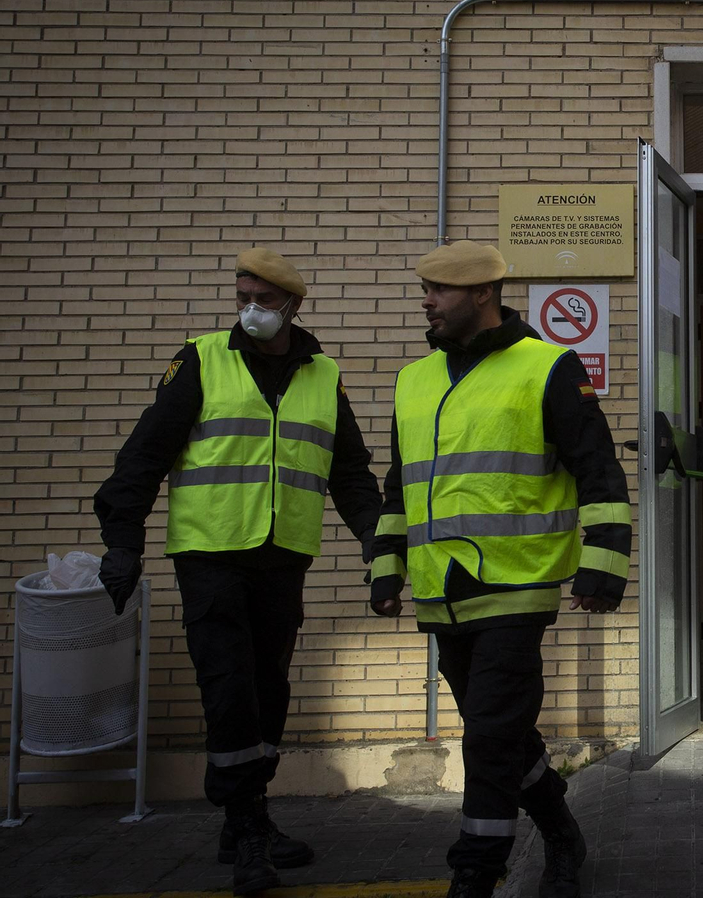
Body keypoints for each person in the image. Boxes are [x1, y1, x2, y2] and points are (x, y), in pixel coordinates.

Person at [94, 247, 382, 896]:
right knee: (230, 688)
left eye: (263, 298)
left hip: (283, 555)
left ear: (292, 307)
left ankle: (243, 815)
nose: (250, 308)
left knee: (268, 687)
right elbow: (143, 455)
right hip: (211, 552)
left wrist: (376, 536)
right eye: (242, 296)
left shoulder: (322, 373)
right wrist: (122, 541)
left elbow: (350, 471)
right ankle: (249, 830)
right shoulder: (201, 360)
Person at [367, 240, 631, 898]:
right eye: (424, 289)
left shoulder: (546, 367)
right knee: (504, 735)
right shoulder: (414, 379)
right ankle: (562, 831)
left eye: (438, 290)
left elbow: (597, 467)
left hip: (517, 584)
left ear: (482, 294)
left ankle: (475, 874)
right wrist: (384, 565)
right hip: (441, 589)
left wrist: (602, 566)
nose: (426, 301)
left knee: (487, 737)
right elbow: (400, 485)